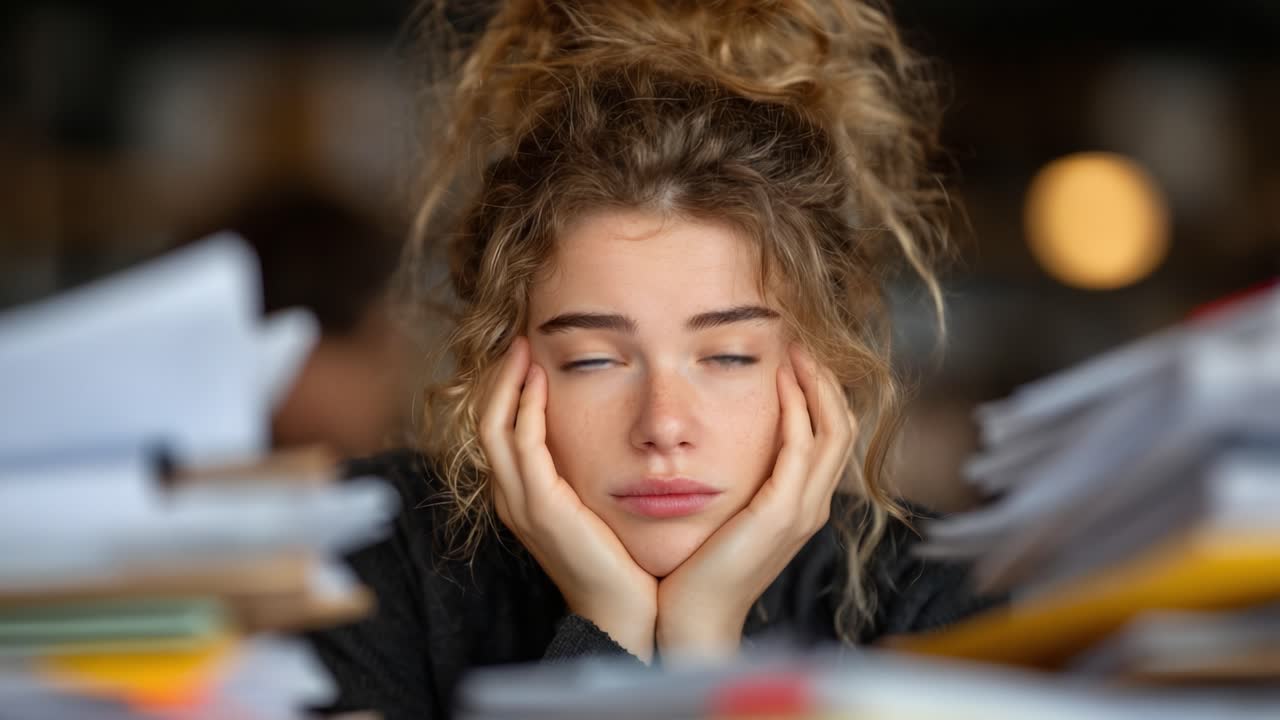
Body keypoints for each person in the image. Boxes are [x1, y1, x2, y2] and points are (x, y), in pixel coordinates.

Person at [307, 1, 999, 717]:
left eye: (728, 357)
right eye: (593, 361)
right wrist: (608, 628)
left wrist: (700, 644)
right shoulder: (360, 555)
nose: (663, 426)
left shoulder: (936, 600)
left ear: (825, 363)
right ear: (497, 366)